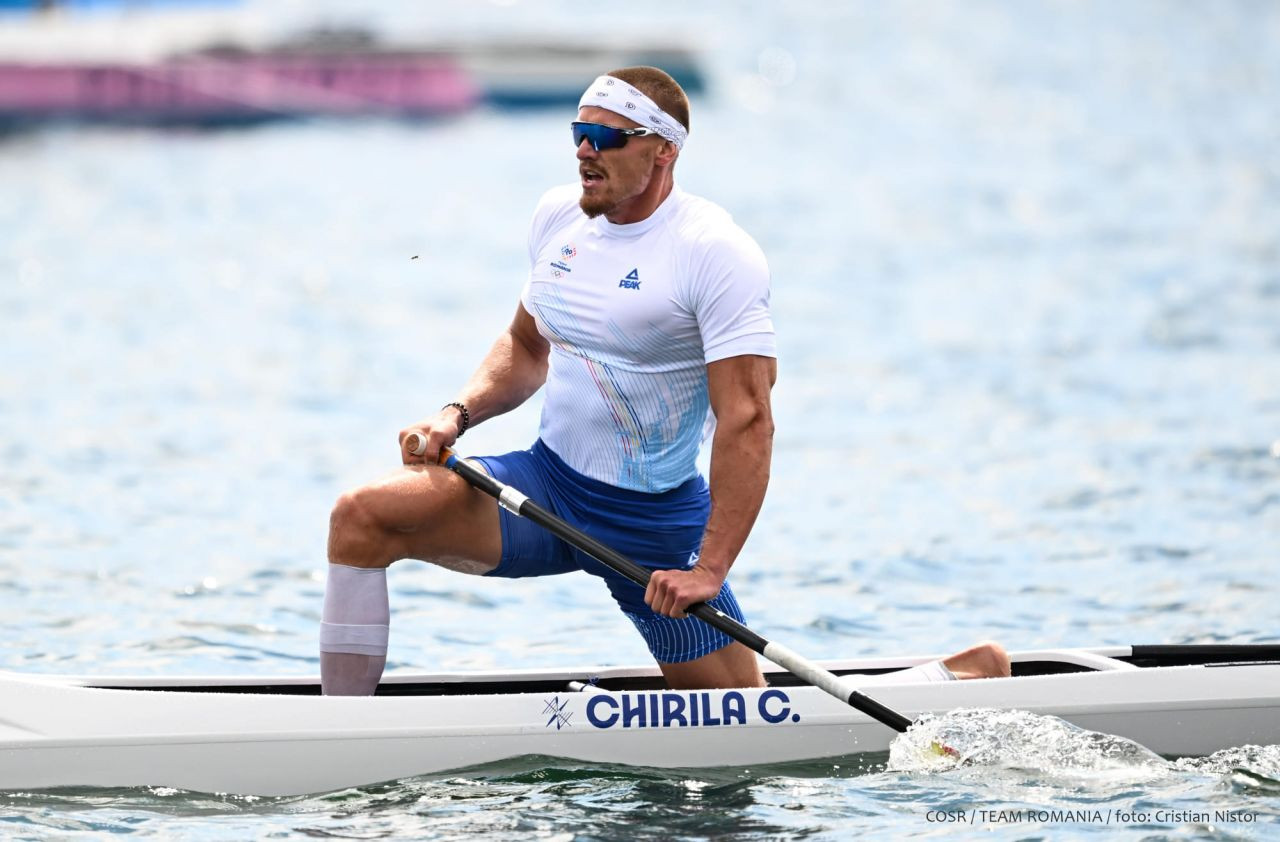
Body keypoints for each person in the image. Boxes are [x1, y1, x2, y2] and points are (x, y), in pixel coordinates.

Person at [318, 66, 1011, 696]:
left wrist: (707, 570)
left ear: (662, 151)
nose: (585, 150)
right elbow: (527, 347)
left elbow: (748, 419)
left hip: (649, 530)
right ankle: (339, 731)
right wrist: (456, 415)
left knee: (747, 712)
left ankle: (953, 679)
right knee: (363, 515)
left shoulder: (713, 253)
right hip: (544, 490)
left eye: (606, 138)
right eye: (579, 134)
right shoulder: (558, 218)